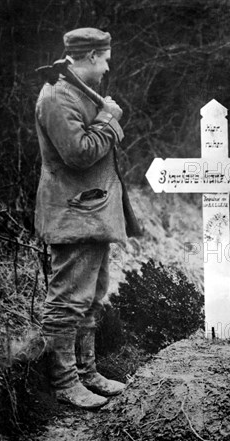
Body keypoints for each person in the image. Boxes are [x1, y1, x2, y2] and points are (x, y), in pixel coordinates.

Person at [35, 28, 137, 409]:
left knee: (92, 297)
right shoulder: (57, 96)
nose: (109, 66)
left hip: (91, 211)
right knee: (67, 301)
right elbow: (78, 153)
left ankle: (87, 372)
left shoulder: (77, 92)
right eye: (106, 58)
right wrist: (109, 119)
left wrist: (105, 117)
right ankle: (65, 383)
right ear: (92, 56)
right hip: (72, 213)